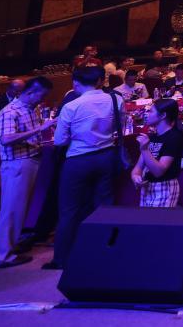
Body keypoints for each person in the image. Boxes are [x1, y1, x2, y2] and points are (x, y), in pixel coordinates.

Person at [46, 67, 121, 270]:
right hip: (106, 155)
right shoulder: (115, 99)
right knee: (104, 206)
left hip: (78, 159)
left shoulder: (72, 106)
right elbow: (118, 126)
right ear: (99, 81)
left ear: (76, 83)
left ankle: (62, 258)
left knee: (69, 210)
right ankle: (104, 251)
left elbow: (60, 141)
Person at [0, 76, 54, 268]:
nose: (42, 100)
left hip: (28, 161)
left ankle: (8, 248)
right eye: (41, 96)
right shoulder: (10, 112)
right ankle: (2, 257)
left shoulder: (29, 109)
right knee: (11, 211)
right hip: (17, 165)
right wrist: (39, 129)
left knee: (18, 210)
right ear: (31, 92)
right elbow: (6, 138)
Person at [132, 99, 183, 207]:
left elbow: (159, 171)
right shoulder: (152, 137)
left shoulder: (174, 137)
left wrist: (144, 149)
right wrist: (135, 176)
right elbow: (138, 167)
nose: (147, 114)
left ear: (163, 115)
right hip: (147, 187)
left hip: (164, 188)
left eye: (151, 111)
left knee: (157, 218)